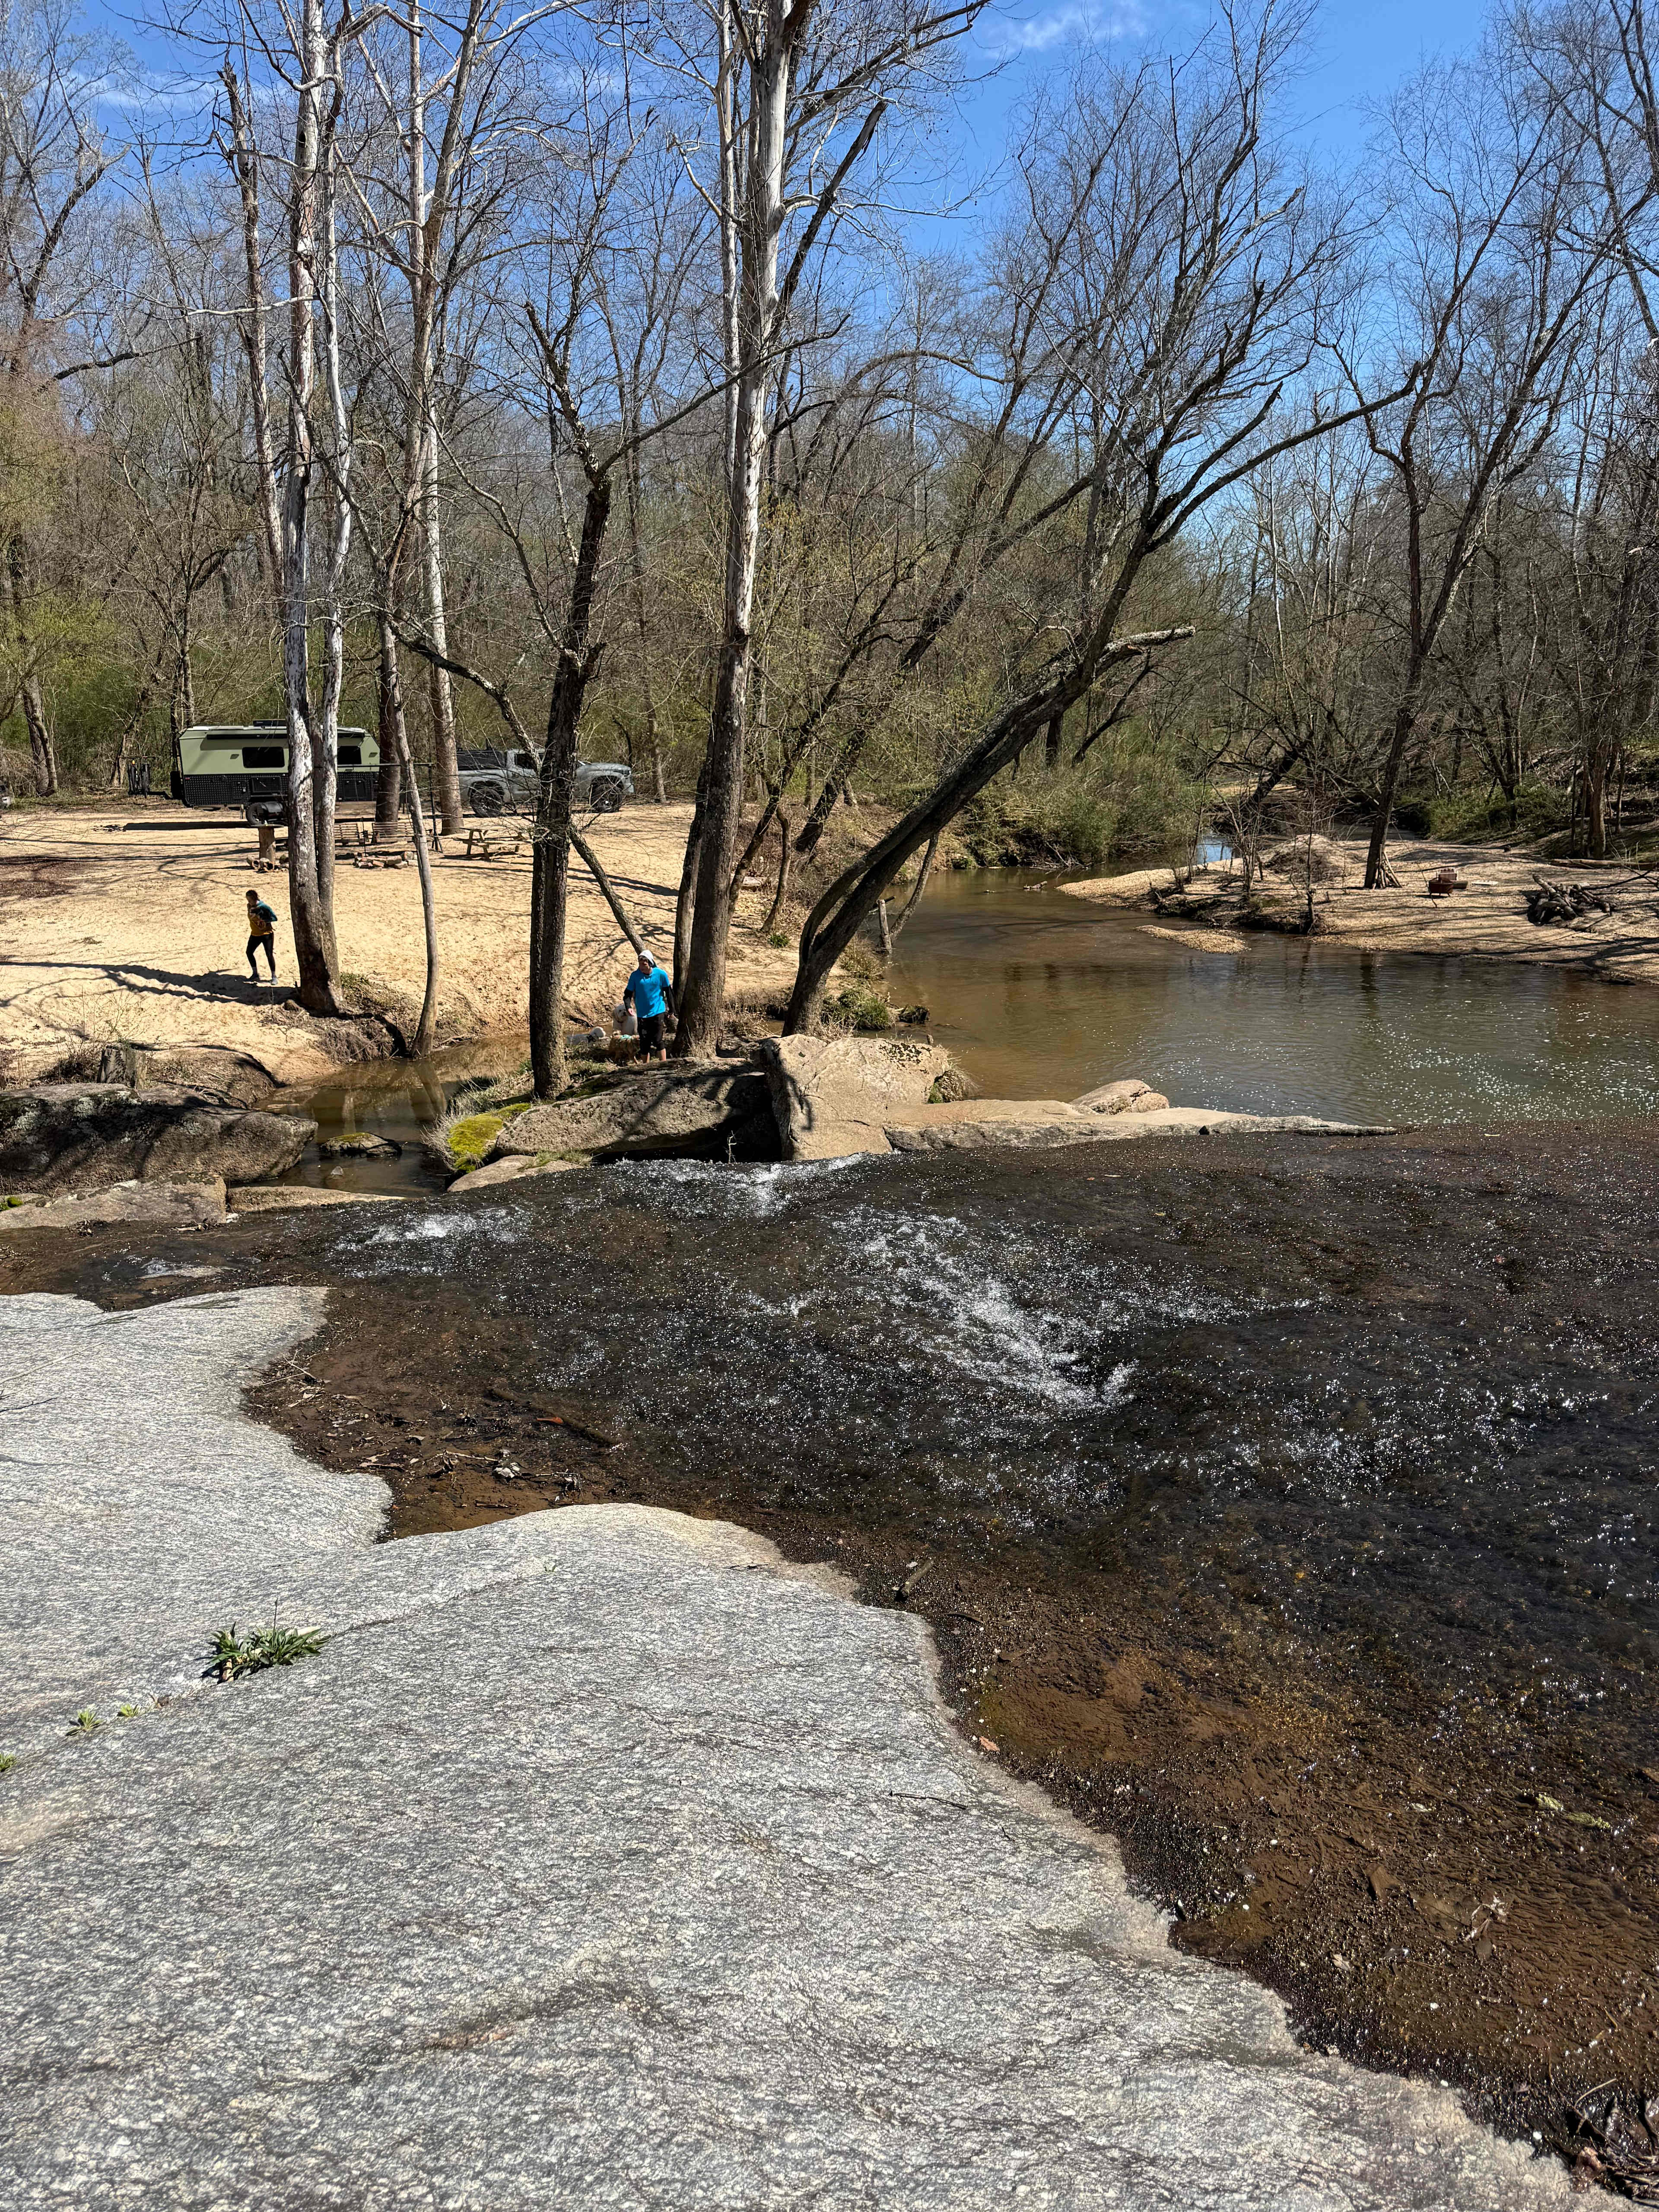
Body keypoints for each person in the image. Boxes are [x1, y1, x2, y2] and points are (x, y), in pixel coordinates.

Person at [623, 947, 674, 1060]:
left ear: (650, 964)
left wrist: (671, 1009)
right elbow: (627, 994)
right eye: (640, 964)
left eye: (644, 964)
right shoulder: (635, 976)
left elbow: (669, 992)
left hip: (658, 1012)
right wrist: (628, 1007)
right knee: (644, 1044)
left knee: (658, 1040)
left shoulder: (661, 974)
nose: (642, 967)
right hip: (642, 1014)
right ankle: (645, 1068)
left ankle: (663, 1065)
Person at [245, 888, 279, 981]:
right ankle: (255, 974)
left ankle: (274, 976)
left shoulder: (264, 907)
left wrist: (263, 919)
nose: (248, 902)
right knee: (249, 952)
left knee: (269, 955)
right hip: (255, 934)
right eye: (247, 900)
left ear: (254, 898)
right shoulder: (249, 906)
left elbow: (275, 918)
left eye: (250, 900)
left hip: (267, 934)